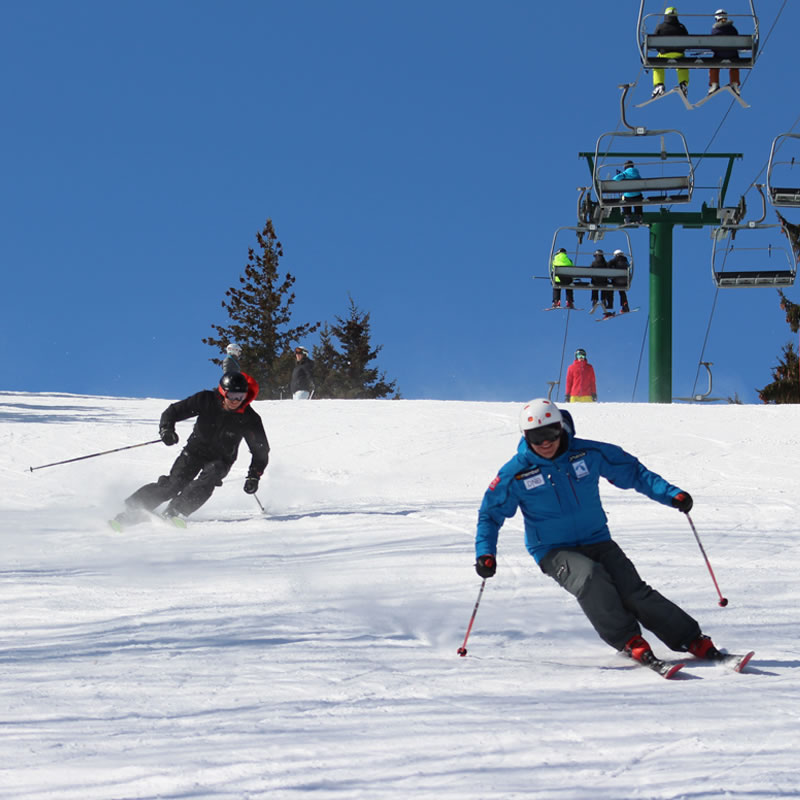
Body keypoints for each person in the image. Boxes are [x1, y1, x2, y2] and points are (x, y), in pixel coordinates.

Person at [474, 398, 729, 670]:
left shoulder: (588, 453)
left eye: (550, 433)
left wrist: (671, 495)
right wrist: (485, 554)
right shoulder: (516, 473)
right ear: (525, 436)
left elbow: (633, 472)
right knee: (590, 578)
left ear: (560, 428)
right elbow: (490, 514)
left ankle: (691, 639)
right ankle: (629, 640)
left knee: (634, 592)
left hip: (597, 538)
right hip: (553, 550)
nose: (545, 442)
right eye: (536, 437)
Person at [112, 372, 269, 525]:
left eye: (240, 397)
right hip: (194, 452)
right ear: (222, 392)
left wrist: (254, 476)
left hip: (221, 459)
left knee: (210, 478)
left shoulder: (249, 418)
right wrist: (167, 430)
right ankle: (132, 508)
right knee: (173, 485)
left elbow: (261, 451)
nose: (235, 401)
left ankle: (174, 512)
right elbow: (173, 412)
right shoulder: (206, 400)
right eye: (231, 396)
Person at [651, 7, 690, 99]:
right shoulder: (681, 27)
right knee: (682, 65)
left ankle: (659, 85)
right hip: (678, 54)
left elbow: (654, 41)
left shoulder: (660, 27)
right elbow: (688, 41)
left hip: (665, 53)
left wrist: (660, 50)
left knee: (657, 65)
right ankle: (683, 83)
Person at [708, 9, 741, 96]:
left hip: (719, 54)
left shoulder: (715, 30)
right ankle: (735, 84)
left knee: (713, 64)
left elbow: (712, 45)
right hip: (732, 54)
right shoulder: (732, 29)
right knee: (735, 64)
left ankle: (714, 84)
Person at [602, 249, 631, 319]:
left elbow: (607, 265)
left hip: (617, 280)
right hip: (625, 280)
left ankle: (610, 304)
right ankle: (625, 305)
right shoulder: (626, 261)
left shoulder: (615, 260)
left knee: (610, 288)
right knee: (622, 291)